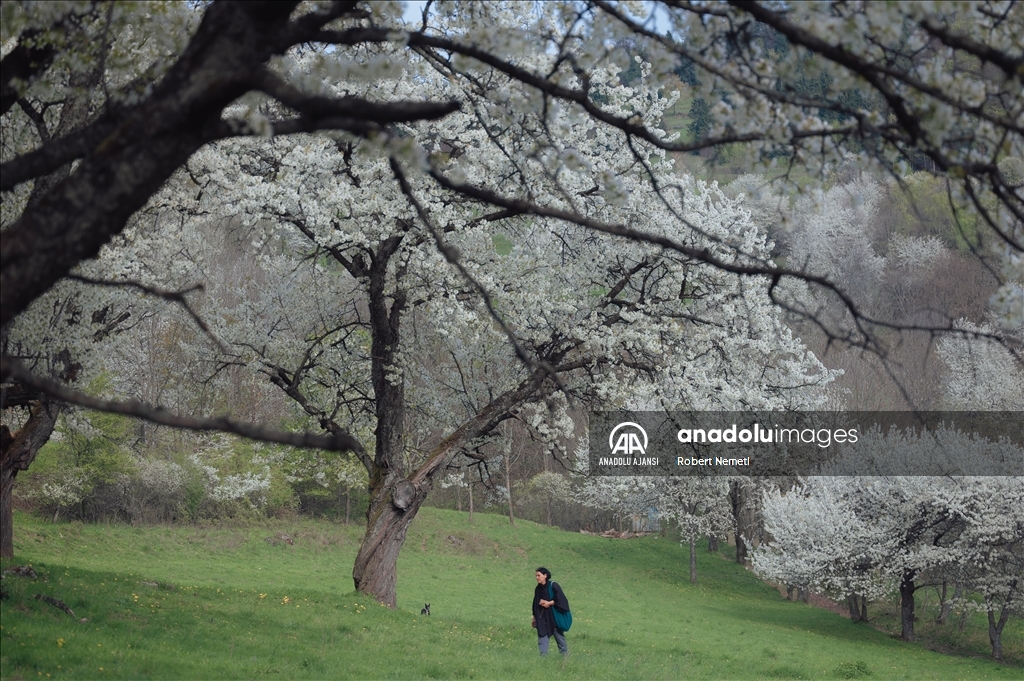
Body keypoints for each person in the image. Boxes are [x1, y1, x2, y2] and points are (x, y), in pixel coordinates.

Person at [531, 567, 569, 657]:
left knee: (560, 638)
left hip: (553, 617)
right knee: (542, 636)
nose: (537, 577)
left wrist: (549, 603)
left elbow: (561, 599)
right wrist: (534, 618)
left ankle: (565, 657)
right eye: (536, 576)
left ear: (545, 575)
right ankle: (543, 658)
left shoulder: (553, 585)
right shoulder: (538, 589)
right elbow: (535, 604)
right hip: (542, 618)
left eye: (538, 575)